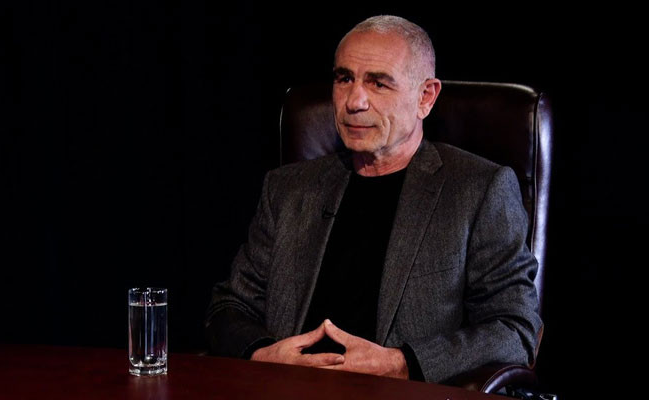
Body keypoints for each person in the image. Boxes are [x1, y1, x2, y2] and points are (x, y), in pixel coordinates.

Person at [205, 15, 543, 383]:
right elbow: (229, 306)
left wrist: (402, 363)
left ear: (425, 97)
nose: (354, 101)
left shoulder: (479, 190)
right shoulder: (288, 189)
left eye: (378, 83)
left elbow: (515, 329)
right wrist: (263, 353)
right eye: (344, 79)